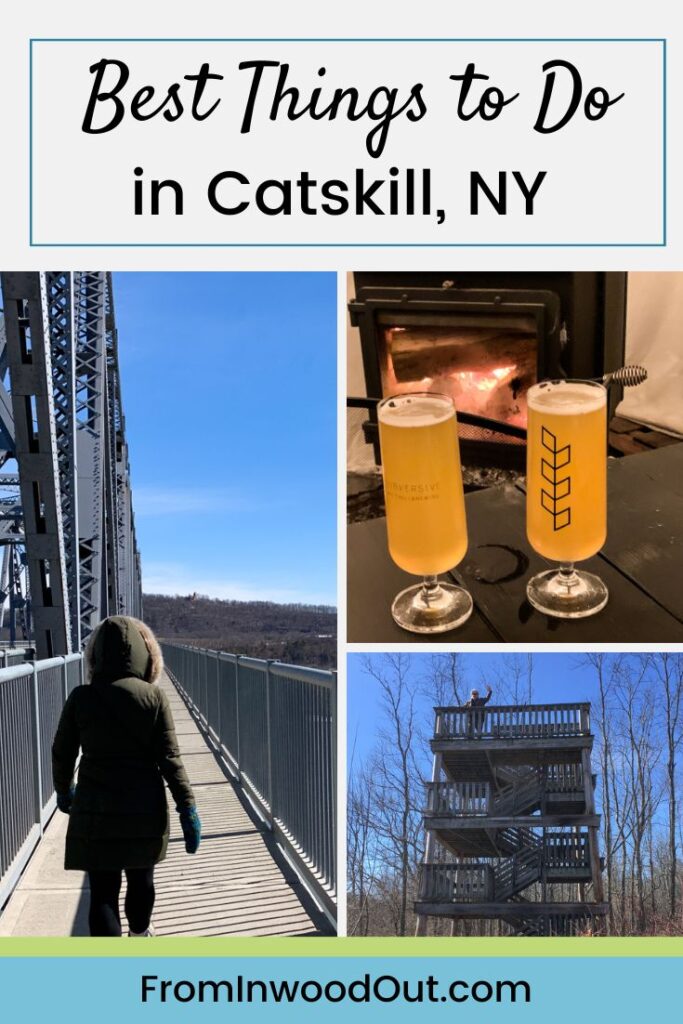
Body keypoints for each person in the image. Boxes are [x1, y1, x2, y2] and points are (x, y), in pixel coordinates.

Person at [51, 615, 202, 937]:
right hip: (144, 807)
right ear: (147, 654)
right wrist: (186, 807)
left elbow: (62, 752)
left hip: (95, 807)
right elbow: (170, 758)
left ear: (95, 655)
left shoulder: (81, 697)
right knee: (141, 880)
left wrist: (65, 792)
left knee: (103, 893)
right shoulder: (154, 697)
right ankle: (140, 937)